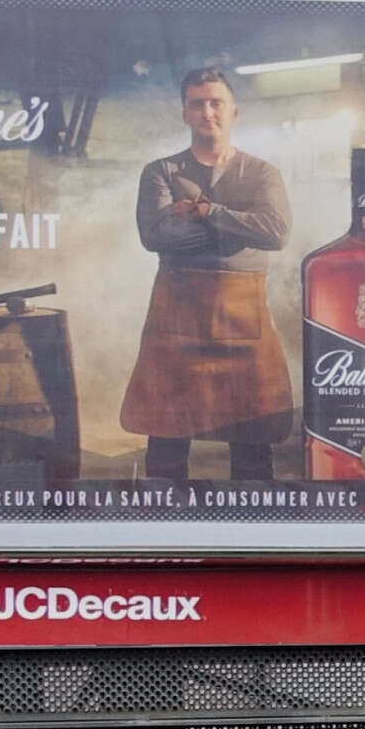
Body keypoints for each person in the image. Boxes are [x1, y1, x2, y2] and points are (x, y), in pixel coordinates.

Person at [121, 65, 295, 482]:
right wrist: (235, 231)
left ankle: (252, 540)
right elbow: (157, 235)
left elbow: (276, 232)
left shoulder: (261, 172)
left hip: (244, 318)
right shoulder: (160, 172)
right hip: (176, 315)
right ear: (185, 113)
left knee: (253, 446)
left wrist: (205, 213)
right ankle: (164, 538)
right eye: (197, 104)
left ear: (234, 111)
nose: (207, 112)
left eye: (217, 103)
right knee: (165, 442)